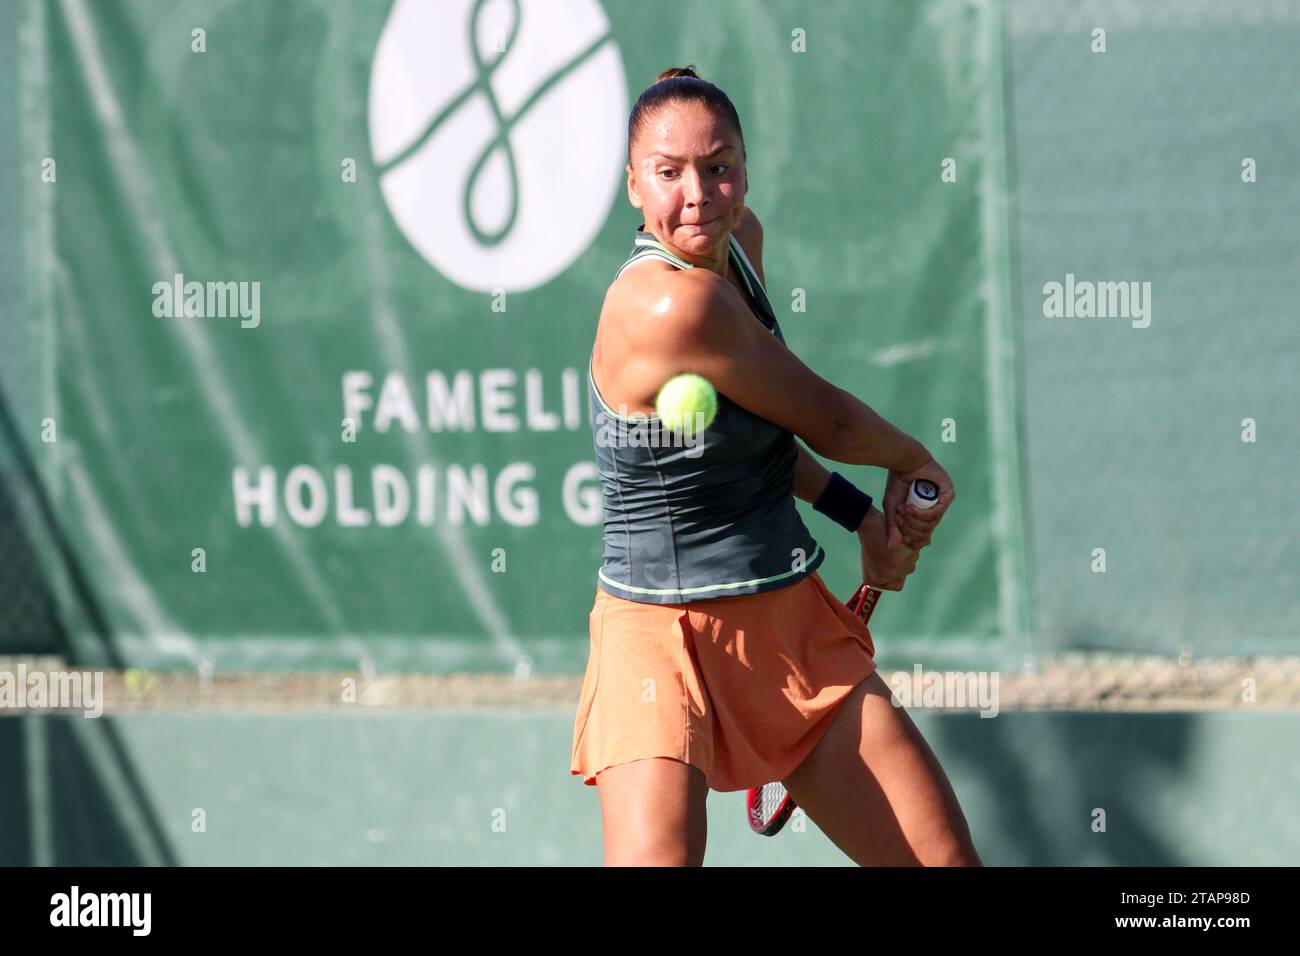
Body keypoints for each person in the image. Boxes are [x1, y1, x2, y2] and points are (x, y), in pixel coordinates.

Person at [570, 66, 982, 867]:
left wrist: (863, 515)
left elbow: (759, 435)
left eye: (718, 167)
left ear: (746, 172)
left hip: (788, 628)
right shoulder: (668, 304)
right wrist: (913, 461)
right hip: (656, 641)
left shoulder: (743, 248)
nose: (699, 193)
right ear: (632, 186)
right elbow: (822, 417)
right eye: (669, 173)